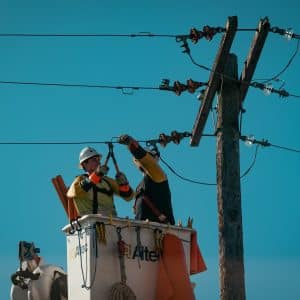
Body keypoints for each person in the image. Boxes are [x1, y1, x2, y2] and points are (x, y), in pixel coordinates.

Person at [119, 135, 175, 225]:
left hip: (160, 230)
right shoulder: (141, 185)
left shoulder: (159, 175)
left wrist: (130, 143)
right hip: (142, 230)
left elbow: (143, 158)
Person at [67, 146, 134, 217]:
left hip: (112, 223)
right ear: (84, 164)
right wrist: (96, 175)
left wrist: (124, 184)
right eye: (94, 160)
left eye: (98, 159)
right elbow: (72, 193)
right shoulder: (79, 180)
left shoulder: (107, 181)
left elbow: (128, 197)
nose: (98, 162)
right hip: (91, 223)